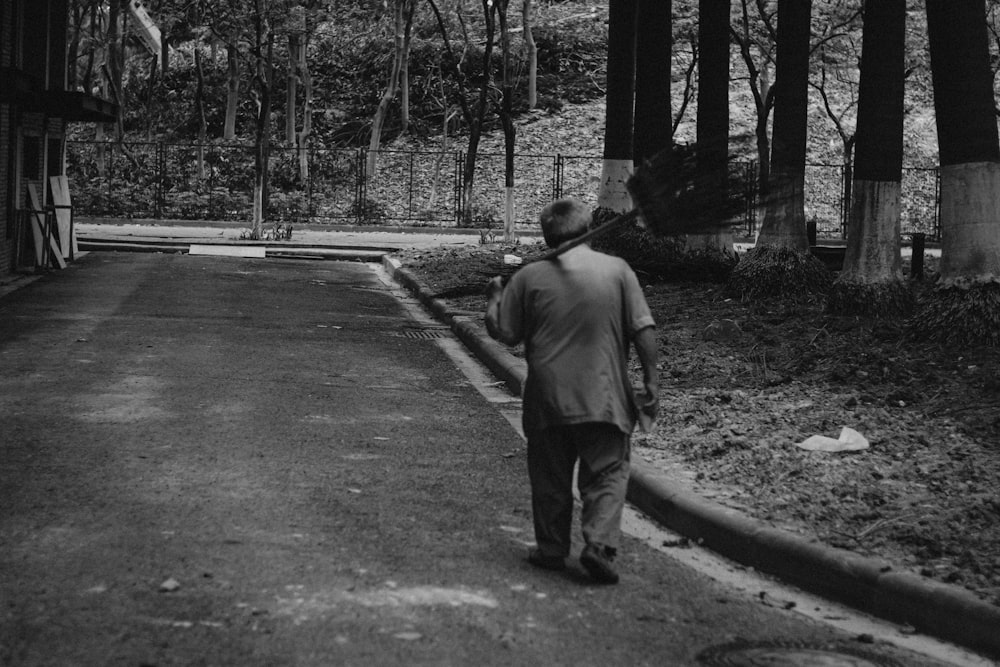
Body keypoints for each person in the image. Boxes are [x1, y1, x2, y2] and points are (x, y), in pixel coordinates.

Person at [485, 198, 658, 584]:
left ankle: (551, 549)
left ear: (547, 236)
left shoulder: (530, 278)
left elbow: (506, 333)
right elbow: (643, 329)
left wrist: (495, 297)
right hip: (604, 395)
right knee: (608, 473)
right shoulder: (617, 271)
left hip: (547, 398)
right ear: (589, 227)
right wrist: (651, 381)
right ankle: (598, 544)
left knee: (550, 478)